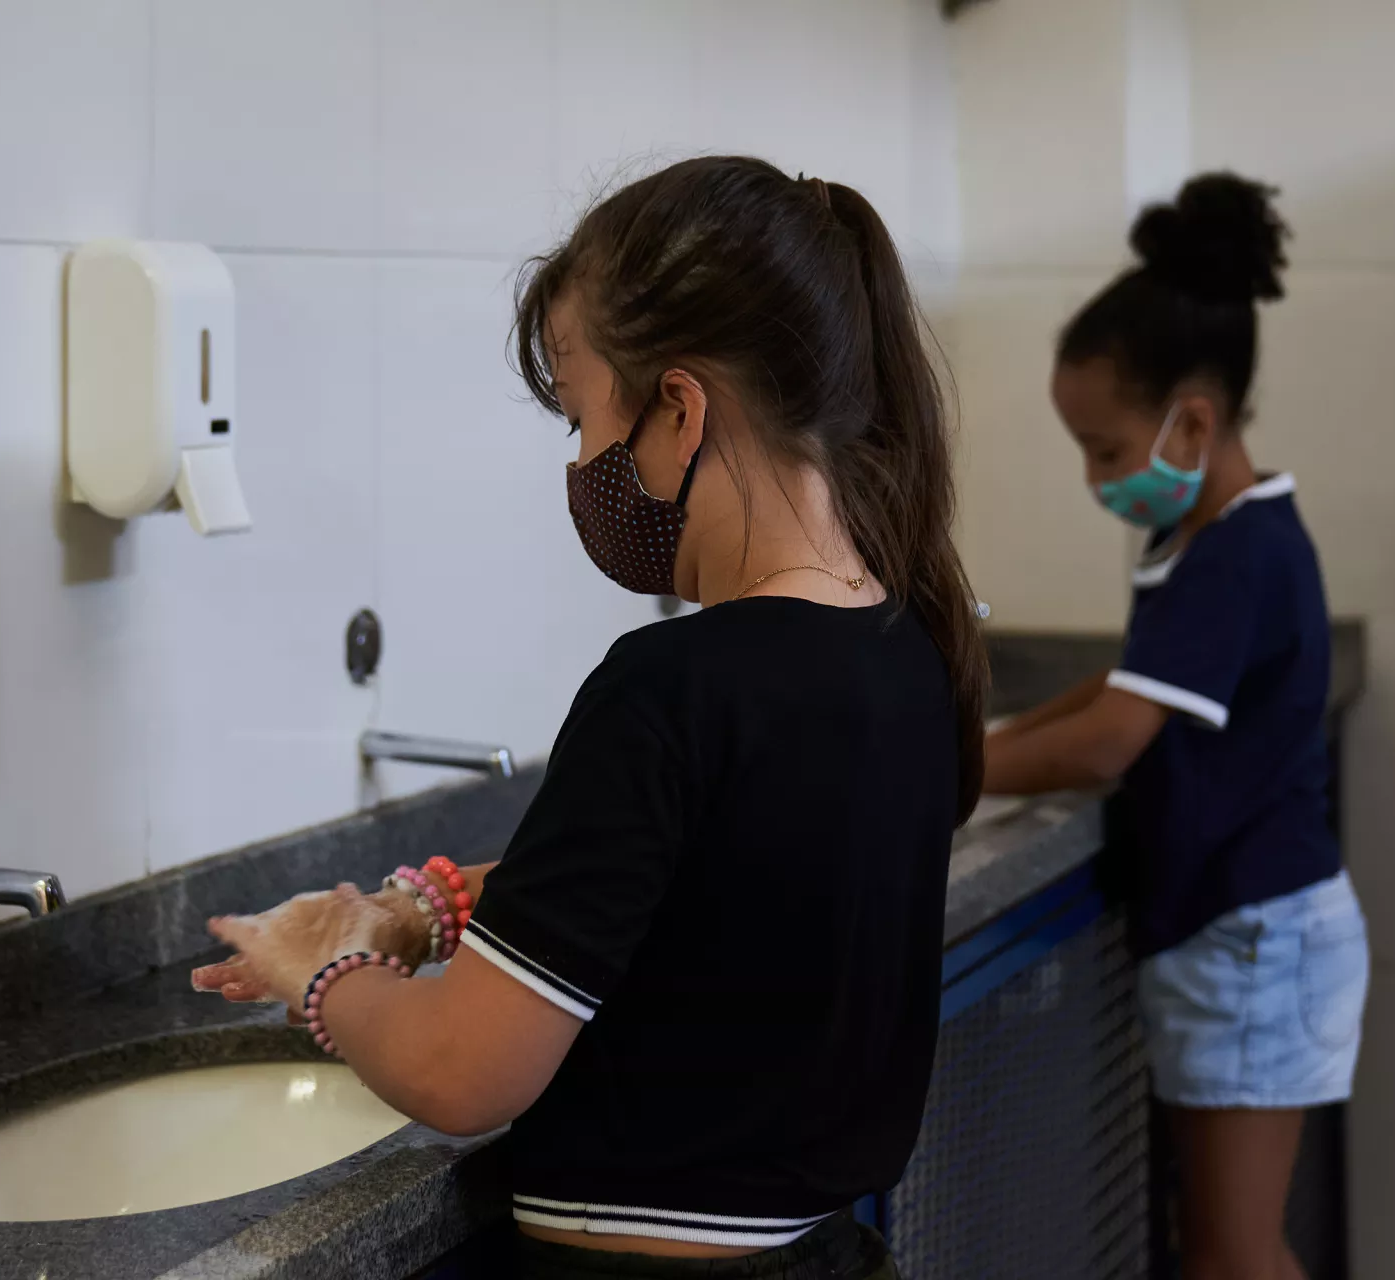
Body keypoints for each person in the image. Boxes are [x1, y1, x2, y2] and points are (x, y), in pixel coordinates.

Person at [190, 155, 985, 1280]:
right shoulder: (904, 648)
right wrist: (434, 907)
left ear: (679, 408)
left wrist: (321, 969)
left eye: (579, 421)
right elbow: (709, 884)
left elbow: (465, 1070)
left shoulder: (670, 681)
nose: (579, 466)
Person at [982, 173, 1369, 1280]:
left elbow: (1111, 738)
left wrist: (961, 776)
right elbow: (1123, 684)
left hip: (1257, 943)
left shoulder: (1235, 555)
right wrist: (991, 735)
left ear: (1190, 421)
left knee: (1234, 1254)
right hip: (1246, 935)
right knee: (1220, 1248)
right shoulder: (1213, 542)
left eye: (1105, 449)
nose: (1097, 477)